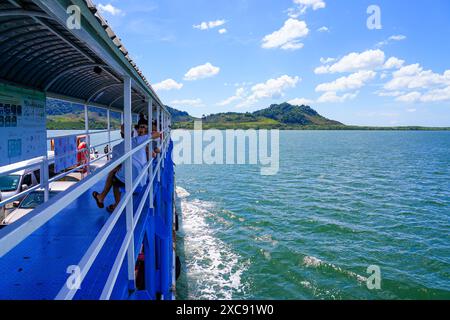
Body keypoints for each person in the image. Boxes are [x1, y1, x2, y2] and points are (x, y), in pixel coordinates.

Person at [92, 122, 150, 213]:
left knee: (114, 178)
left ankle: (116, 204)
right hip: (143, 177)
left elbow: (115, 166)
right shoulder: (139, 140)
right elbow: (156, 135)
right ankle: (101, 197)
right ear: (132, 133)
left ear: (121, 134)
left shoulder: (117, 148)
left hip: (134, 180)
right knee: (117, 172)